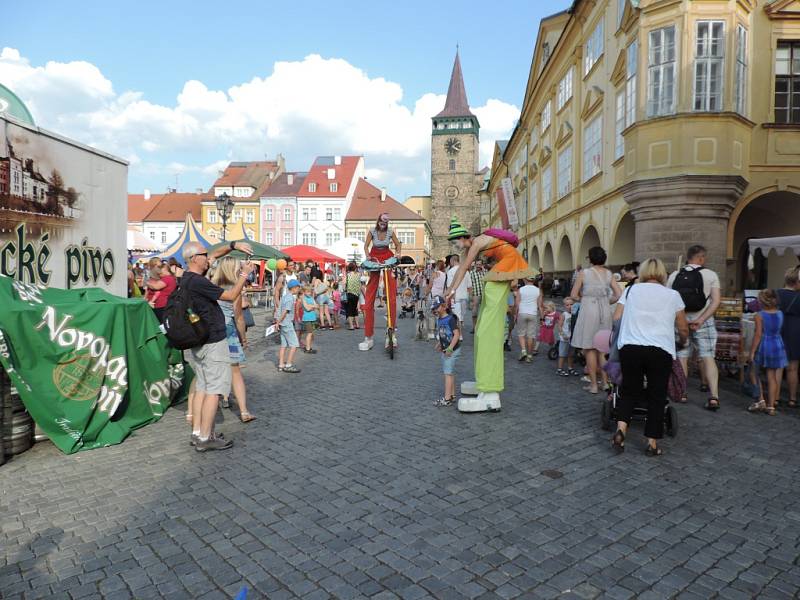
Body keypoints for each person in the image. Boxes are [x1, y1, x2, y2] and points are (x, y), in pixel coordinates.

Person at [444, 218, 535, 407]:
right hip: (503, 267)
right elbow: (463, 267)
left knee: (486, 332)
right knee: (481, 333)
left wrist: (451, 291)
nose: (456, 246)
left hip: (506, 266)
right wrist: (451, 290)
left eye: (456, 242)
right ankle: (484, 383)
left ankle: (490, 392)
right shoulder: (473, 246)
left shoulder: (477, 242)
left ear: (464, 237)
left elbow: (463, 269)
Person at [181, 240, 254, 452]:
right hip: (212, 340)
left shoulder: (188, 278)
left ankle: (198, 432)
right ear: (195, 258)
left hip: (199, 340)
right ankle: (205, 437)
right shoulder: (200, 282)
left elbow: (215, 254)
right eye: (205, 255)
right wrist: (243, 275)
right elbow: (231, 296)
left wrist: (232, 245)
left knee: (203, 386)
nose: (209, 257)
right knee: (214, 390)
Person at [612, 258, 689, 456]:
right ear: (663, 273)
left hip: (631, 347)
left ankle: (621, 429)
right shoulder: (673, 295)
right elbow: (682, 326)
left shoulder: (631, 290)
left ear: (643, 272)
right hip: (659, 349)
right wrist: (683, 341)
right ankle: (652, 442)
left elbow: (617, 318)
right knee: (657, 394)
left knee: (629, 390)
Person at [667, 245, 722, 409]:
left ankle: (683, 392)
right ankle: (714, 396)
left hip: (680, 320)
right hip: (704, 322)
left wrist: (680, 319)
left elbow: (669, 301)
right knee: (708, 356)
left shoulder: (675, 275)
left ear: (688, 257)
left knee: (682, 356)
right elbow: (716, 301)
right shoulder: (711, 275)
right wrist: (701, 319)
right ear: (701, 258)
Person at [571, 246, 622, 394]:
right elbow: (619, 294)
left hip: (589, 310)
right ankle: (605, 383)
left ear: (590, 258)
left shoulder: (584, 273)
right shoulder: (608, 273)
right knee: (602, 348)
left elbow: (574, 295)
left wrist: (585, 299)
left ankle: (593, 385)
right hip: (604, 311)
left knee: (589, 348)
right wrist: (607, 302)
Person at [210, 257, 256, 423]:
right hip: (229, 332)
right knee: (235, 371)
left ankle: (222, 398)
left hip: (213, 332)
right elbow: (239, 318)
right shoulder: (234, 290)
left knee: (215, 370)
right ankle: (243, 411)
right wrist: (243, 338)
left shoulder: (212, 286)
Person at [360, 213, 402, 351]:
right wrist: (367, 256)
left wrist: (398, 253)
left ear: (387, 224)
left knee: (391, 296)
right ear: (378, 221)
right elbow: (366, 246)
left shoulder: (390, 232)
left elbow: (397, 245)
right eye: (381, 222)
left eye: (385, 223)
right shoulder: (372, 231)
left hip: (387, 257)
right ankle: (368, 336)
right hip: (374, 258)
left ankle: (392, 333)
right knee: (370, 296)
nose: (382, 225)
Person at [748, 289, 788, 416]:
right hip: (777, 344)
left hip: (765, 345)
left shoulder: (759, 315)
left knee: (754, 373)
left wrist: (752, 351)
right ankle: (771, 407)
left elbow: (758, 335)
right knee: (772, 376)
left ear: (761, 301)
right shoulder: (780, 313)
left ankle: (760, 400)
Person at [431, 295, 462, 407]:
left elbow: (456, 334)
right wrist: (440, 343)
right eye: (434, 308)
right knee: (449, 373)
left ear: (444, 306)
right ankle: (452, 396)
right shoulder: (440, 319)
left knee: (447, 374)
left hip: (452, 350)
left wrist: (450, 348)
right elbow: (443, 333)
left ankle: (447, 398)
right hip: (446, 350)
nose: (435, 310)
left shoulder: (450, 319)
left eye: (437, 307)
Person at [777, 267, 800, 408]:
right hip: (796, 331)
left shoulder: (775, 293)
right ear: (797, 281)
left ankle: (776, 397)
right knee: (793, 368)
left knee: (778, 367)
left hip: (777, 329)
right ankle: (792, 399)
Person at [516, 276, 544, 362]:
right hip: (533, 313)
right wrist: (542, 318)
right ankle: (529, 356)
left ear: (525, 279)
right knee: (531, 336)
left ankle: (523, 351)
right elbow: (540, 306)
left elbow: (517, 303)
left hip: (522, 312)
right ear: (534, 280)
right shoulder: (538, 290)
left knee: (521, 334)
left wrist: (515, 315)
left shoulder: (520, 290)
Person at [276, 280, 302, 373]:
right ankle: (289, 365)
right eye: (298, 288)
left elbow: (278, 309)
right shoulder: (290, 298)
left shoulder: (284, 296)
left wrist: (277, 321)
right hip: (287, 323)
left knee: (283, 345)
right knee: (294, 344)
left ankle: (281, 364)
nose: (299, 289)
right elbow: (285, 311)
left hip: (283, 324)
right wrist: (278, 322)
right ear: (294, 288)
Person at [556, 297, 578, 376]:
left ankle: (570, 368)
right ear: (565, 306)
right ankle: (559, 369)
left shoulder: (575, 314)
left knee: (571, 354)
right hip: (565, 338)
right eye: (567, 305)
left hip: (573, 338)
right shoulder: (564, 314)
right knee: (562, 354)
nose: (570, 306)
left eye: (571, 304)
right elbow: (559, 326)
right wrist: (562, 334)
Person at [446, 255, 470, 323]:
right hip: (464, 297)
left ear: (452, 261)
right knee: (461, 318)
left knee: (456, 317)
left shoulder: (450, 271)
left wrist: (449, 298)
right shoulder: (466, 271)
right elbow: (469, 286)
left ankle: (458, 333)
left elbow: (449, 287)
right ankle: (460, 331)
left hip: (455, 298)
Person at [468, 260, 486, 334]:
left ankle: (482, 327)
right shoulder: (472, 273)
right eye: (477, 264)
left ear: (482, 264)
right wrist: (470, 296)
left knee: (484, 312)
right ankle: (474, 327)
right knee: (474, 312)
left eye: (480, 264)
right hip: (476, 294)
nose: (478, 266)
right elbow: (470, 285)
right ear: (475, 265)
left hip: (485, 294)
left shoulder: (485, 272)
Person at [300, 285, 318, 354]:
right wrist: (312, 306)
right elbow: (307, 309)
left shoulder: (311, 298)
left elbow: (316, 306)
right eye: (307, 292)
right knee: (309, 333)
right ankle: (308, 349)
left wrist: (310, 306)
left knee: (311, 334)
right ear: (304, 292)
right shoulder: (303, 298)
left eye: (310, 292)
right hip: (307, 318)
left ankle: (309, 347)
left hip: (312, 318)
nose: (309, 293)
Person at [344, 262, 362, 330]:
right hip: (356, 295)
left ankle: (351, 326)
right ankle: (357, 325)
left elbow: (344, 283)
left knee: (350, 310)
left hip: (350, 294)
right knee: (355, 309)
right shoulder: (358, 275)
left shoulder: (348, 275)